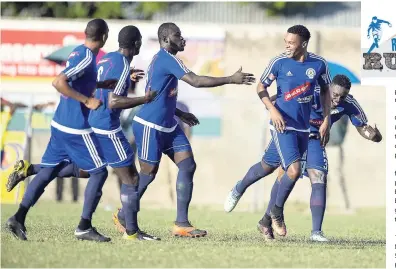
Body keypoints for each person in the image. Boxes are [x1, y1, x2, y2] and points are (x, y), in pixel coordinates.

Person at [112, 22, 255, 238]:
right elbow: (196, 81)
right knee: (147, 174)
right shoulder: (166, 59)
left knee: (187, 165)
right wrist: (230, 79)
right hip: (150, 126)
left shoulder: (166, 60)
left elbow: (160, 94)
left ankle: (182, 223)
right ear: (166, 39)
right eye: (178, 35)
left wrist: (179, 113)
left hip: (169, 124)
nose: (182, 38)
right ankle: (124, 214)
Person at [5, 18, 117, 242]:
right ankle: (84, 226)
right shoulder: (86, 57)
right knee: (99, 171)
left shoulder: (79, 52)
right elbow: (59, 82)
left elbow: (77, 82)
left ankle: (18, 217)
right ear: (104, 36)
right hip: (75, 128)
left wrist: (102, 85)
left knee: (48, 171)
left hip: (59, 124)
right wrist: (87, 101)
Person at [223, 25, 332, 241]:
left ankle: (241, 187)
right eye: (286, 41)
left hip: (303, 127)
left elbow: (327, 91)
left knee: (267, 165)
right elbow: (261, 87)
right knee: (293, 170)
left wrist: (327, 119)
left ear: (303, 43)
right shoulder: (279, 62)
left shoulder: (319, 64)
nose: (287, 45)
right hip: (282, 124)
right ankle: (276, 212)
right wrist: (272, 110)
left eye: (291, 42)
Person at [272, 74, 382, 241]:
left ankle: (316, 232)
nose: (337, 100)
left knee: (319, 179)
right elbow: (285, 97)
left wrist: (373, 136)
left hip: (315, 140)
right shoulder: (313, 90)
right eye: (334, 95)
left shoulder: (349, 103)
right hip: (294, 135)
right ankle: (270, 217)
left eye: (342, 96)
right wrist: (273, 104)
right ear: (328, 88)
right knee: (282, 174)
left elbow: (361, 126)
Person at [88, 25, 159, 240]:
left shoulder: (108, 58)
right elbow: (114, 100)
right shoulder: (122, 64)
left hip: (93, 121)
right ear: (136, 44)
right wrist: (144, 98)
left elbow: (103, 83)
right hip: (107, 126)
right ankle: (132, 231)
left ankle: (33, 170)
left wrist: (127, 76)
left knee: (84, 170)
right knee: (132, 178)